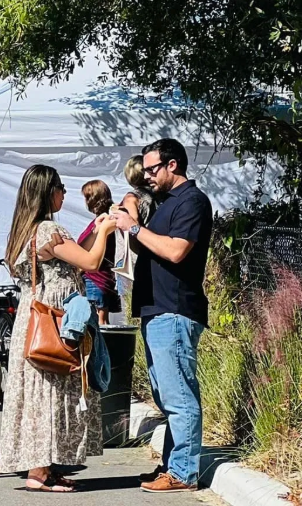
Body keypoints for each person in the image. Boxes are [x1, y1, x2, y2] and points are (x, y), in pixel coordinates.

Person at [0, 164, 111, 492]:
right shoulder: (48, 229)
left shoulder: (26, 228)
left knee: (39, 394)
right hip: (53, 322)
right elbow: (90, 262)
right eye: (61, 187)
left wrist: (96, 229)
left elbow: (76, 254)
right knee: (51, 392)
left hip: (32, 321)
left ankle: (44, 467)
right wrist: (105, 231)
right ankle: (39, 472)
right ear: (49, 192)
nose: (64, 193)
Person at [111, 139, 212, 493]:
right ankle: (172, 464)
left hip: (176, 308)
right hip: (156, 307)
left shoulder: (192, 202)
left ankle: (183, 472)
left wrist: (136, 228)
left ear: (173, 165)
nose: (146, 175)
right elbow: (146, 242)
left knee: (179, 396)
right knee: (166, 394)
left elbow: (175, 250)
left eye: (152, 169)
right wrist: (129, 216)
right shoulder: (168, 203)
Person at [77, 180, 119, 324]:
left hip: (96, 278)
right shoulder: (104, 220)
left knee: (98, 323)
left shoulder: (106, 221)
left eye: (87, 197)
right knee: (101, 321)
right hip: (99, 279)